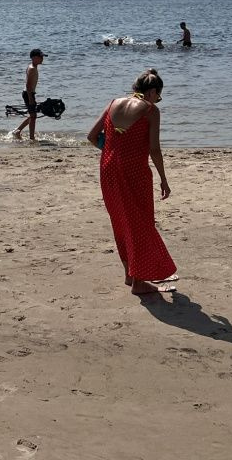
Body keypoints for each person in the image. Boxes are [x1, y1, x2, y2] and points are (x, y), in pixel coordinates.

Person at [87, 69, 175, 295]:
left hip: (108, 168)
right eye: (158, 96)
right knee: (141, 223)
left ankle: (129, 274)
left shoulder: (113, 103)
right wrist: (164, 179)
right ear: (152, 91)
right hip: (134, 171)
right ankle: (139, 282)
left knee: (120, 221)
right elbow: (154, 149)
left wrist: (112, 149)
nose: (157, 100)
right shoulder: (150, 110)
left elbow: (91, 136)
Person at [12, 49, 44, 141]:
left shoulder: (33, 67)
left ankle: (18, 131)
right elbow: (28, 85)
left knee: (33, 115)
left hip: (29, 93)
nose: (42, 58)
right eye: (40, 57)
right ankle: (31, 138)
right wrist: (30, 99)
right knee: (33, 116)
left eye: (42, 56)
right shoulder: (32, 68)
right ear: (34, 58)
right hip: (28, 94)